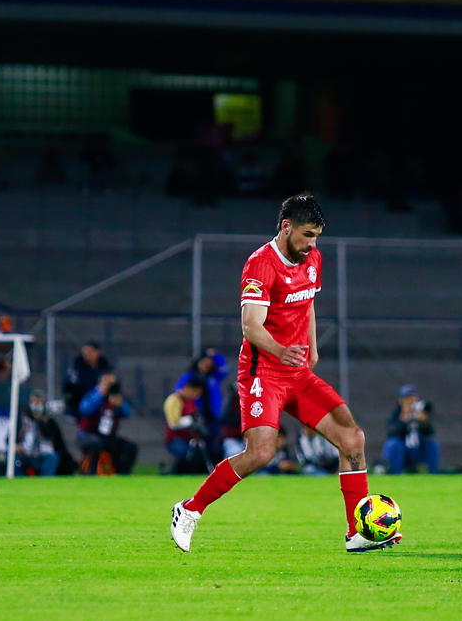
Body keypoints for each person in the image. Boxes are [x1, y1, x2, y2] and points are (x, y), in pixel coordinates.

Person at [170, 194, 397, 554]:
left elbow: (307, 303)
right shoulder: (260, 264)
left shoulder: (312, 258)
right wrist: (281, 350)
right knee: (261, 453)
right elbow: (250, 325)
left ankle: (358, 532)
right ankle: (189, 509)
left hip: (297, 373)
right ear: (286, 227)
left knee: (352, 438)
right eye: (307, 235)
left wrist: (312, 347)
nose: (312, 244)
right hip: (263, 372)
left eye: (317, 236)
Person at [77, 374, 138, 475]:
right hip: (88, 434)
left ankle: (122, 474)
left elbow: (127, 413)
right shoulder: (92, 395)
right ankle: (91, 474)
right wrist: (100, 395)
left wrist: (119, 404)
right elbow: (85, 410)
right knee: (96, 444)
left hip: (108, 437)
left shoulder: (115, 398)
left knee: (130, 448)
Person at [174, 348, 229, 454]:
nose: (207, 365)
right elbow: (179, 392)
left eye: (210, 363)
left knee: (216, 446)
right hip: (196, 415)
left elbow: (224, 369)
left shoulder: (213, 378)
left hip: (212, 415)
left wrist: (215, 356)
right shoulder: (190, 376)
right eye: (204, 362)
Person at [382, 384, 441, 475]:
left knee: (432, 444)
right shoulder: (396, 413)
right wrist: (403, 419)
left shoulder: (420, 411)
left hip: (418, 448)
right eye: (408, 397)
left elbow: (430, 432)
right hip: (403, 449)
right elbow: (392, 432)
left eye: (413, 397)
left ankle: (432, 473)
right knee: (394, 444)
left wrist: (423, 422)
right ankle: (395, 473)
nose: (411, 400)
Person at [164, 378, 210, 475]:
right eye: (195, 392)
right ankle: (175, 475)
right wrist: (191, 420)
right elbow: (173, 423)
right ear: (187, 388)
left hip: (190, 437)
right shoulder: (174, 400)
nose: (197, 396)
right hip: (175, 438)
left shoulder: (190, 401)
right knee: (183, 454)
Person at [17, 390, 69, 477]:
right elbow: (9, 439)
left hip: (43, 455)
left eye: (39, 403)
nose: (36, 406)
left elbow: (58, 444)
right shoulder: (22, 420)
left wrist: (40, 420)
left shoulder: (49, 422)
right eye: (34, 402)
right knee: (14, 458)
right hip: (25, 455)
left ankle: (45, 481)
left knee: (53, 458)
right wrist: (16, 446)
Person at [63, 342, 112, 419]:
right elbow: (69, 386)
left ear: (97, 353)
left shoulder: (105, 367)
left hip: (100, 403)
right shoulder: (77, 367)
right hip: (80, 404)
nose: (86, 354)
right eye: (84, 351)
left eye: (89, 351)